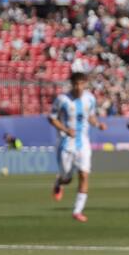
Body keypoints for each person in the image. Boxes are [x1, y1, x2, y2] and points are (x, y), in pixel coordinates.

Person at [48, 71, 107, 222]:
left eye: (82, 83)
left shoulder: (90, 99)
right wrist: (66, 130)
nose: (79, 87)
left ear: (85, 84)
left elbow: (91, 116)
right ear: (72, 84)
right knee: (67, 179)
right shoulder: (62, 100)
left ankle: (77, 211)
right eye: (76, 84)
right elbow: (52, 118)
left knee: (84, 175)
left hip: (83, 143)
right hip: (66, 144)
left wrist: (98, 124)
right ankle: (59, 182)